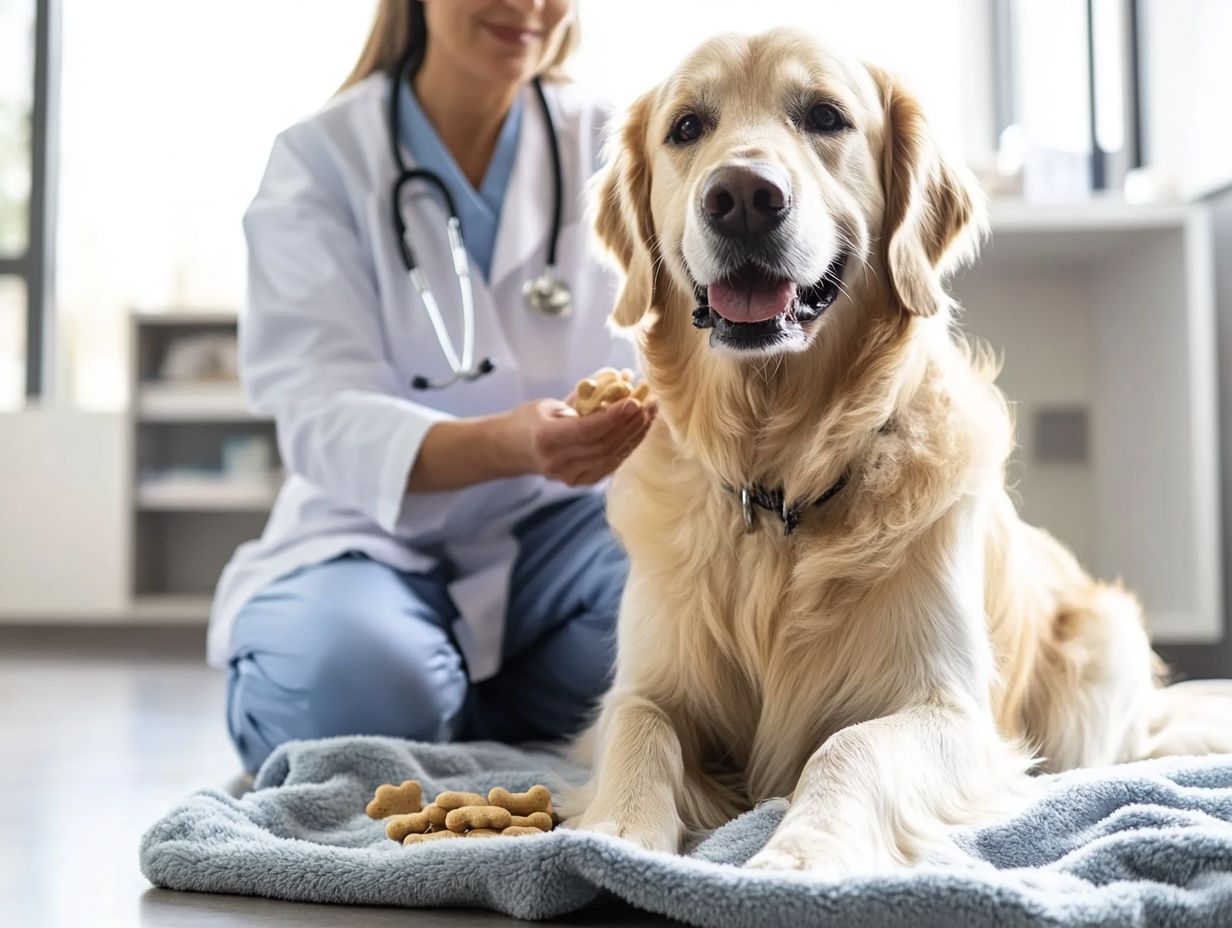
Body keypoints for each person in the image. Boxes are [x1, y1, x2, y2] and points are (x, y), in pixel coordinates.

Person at [208, 0, 653, 774]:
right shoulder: (322, 161)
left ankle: (452, 716)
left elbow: (669, 349)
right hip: (372, 534)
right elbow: (317, 411)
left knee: (695, 620)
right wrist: (508, 444)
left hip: (565, 535)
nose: (529, 7)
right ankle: (428, 698)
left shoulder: (610, 142)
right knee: (353, 688)